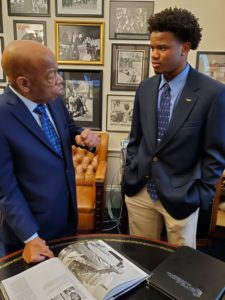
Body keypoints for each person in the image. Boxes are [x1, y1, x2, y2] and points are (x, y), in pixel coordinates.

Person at [123, 7, 225, 248]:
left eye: (163, 48)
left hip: (183, 196)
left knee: (180, 270)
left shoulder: (212, 93)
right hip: (140, 191)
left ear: (185, 48)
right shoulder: (145, 89)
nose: (154, 55)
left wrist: (201, 195)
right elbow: (135, 137)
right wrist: (130, 169)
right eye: (152, 48)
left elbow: (216, 153)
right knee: (141, 256)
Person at [0, 40, 99, 263]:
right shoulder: (2, 117)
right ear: (24, 84)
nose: (60, 80)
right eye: (51, 75)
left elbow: (70, 129)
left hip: (66, 219)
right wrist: (31, 238)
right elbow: (6, 190)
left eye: (57, 72)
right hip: (31, 236)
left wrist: (85, 136)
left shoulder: (52, 101)